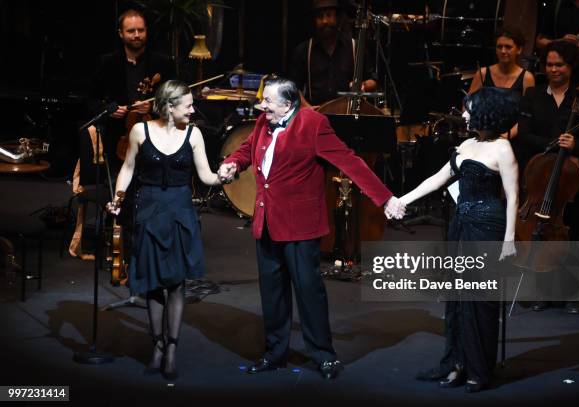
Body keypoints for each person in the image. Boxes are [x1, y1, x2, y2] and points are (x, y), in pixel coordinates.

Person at [217, 77, 403, 380]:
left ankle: (323, 355)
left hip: (300, 225)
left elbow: (349, 162)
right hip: (266, 221)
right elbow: (248, 149)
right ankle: (274, 353)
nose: (261, 106)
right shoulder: (265, 121)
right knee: (273, 293)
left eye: (268, 101)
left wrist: (384, 198)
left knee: (308, 292)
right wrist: (233, 164)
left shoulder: (313, 124)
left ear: (288, 104)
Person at [397, 87, 520, 392]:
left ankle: (479, 370)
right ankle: (457, 364)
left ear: (485, 112)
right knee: (457, 300)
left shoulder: (503, 148)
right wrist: (401, 200)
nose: (463, 114)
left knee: (480, 302)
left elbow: (514, 195)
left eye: (468, 108)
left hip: (487, 228)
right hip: (461, 225)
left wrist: (509, 239)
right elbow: (437, 179)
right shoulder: (466, 144)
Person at [106, 80, 222, 380]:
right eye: (188, 105)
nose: (194, 110)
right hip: (149, 209)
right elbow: (128, 168)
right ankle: (156, 344)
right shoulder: (140, 131)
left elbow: (207, 176)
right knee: (154, 283)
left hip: (180, 212)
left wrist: (228, 176)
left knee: (176, 283)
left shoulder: (194, 135)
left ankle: (172, 347)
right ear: (169, 107)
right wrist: (118, 198)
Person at [516, 40, 579, 314]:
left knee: (571, 231)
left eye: (560, 65)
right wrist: (553, 143)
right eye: (550, 65)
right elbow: (524, 132)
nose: (553, 69)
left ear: (570, 67)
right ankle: (543, 291)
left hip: (570, 180)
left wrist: (575, 145)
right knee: (540, 234)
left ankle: (571, 293)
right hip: (539, 176)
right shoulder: (533, 95)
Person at [91, 8, 175, 171]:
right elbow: (91, 99)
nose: (137, 34)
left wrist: (153, 107)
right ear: (121, 33)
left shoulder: (163, 63)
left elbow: (176, 100)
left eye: (141, 30)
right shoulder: (107, 63)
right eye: (131, 31)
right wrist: (109, 110)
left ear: (146, 31)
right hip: (117, 135)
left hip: (155, 133)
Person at [288, 0, 377, 107]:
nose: (325, 21)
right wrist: (308, 108)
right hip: (316, 116)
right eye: (320, 16)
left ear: (338, 19)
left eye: (329, 15)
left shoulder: (355, 47)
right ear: (315, 21)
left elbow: (374, 80)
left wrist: (361, 85)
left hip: (347, 115)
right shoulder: (304, 50)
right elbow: (293, 87)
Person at [468, 26, 535, 139]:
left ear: (519, 49)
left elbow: (527, 116)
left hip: (512, 138)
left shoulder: (527, 78)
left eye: (508, 47)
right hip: (482, 135)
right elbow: (468, 106)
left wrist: (504, 137)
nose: (503, 51)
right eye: (499, 47)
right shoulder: (483, 73)